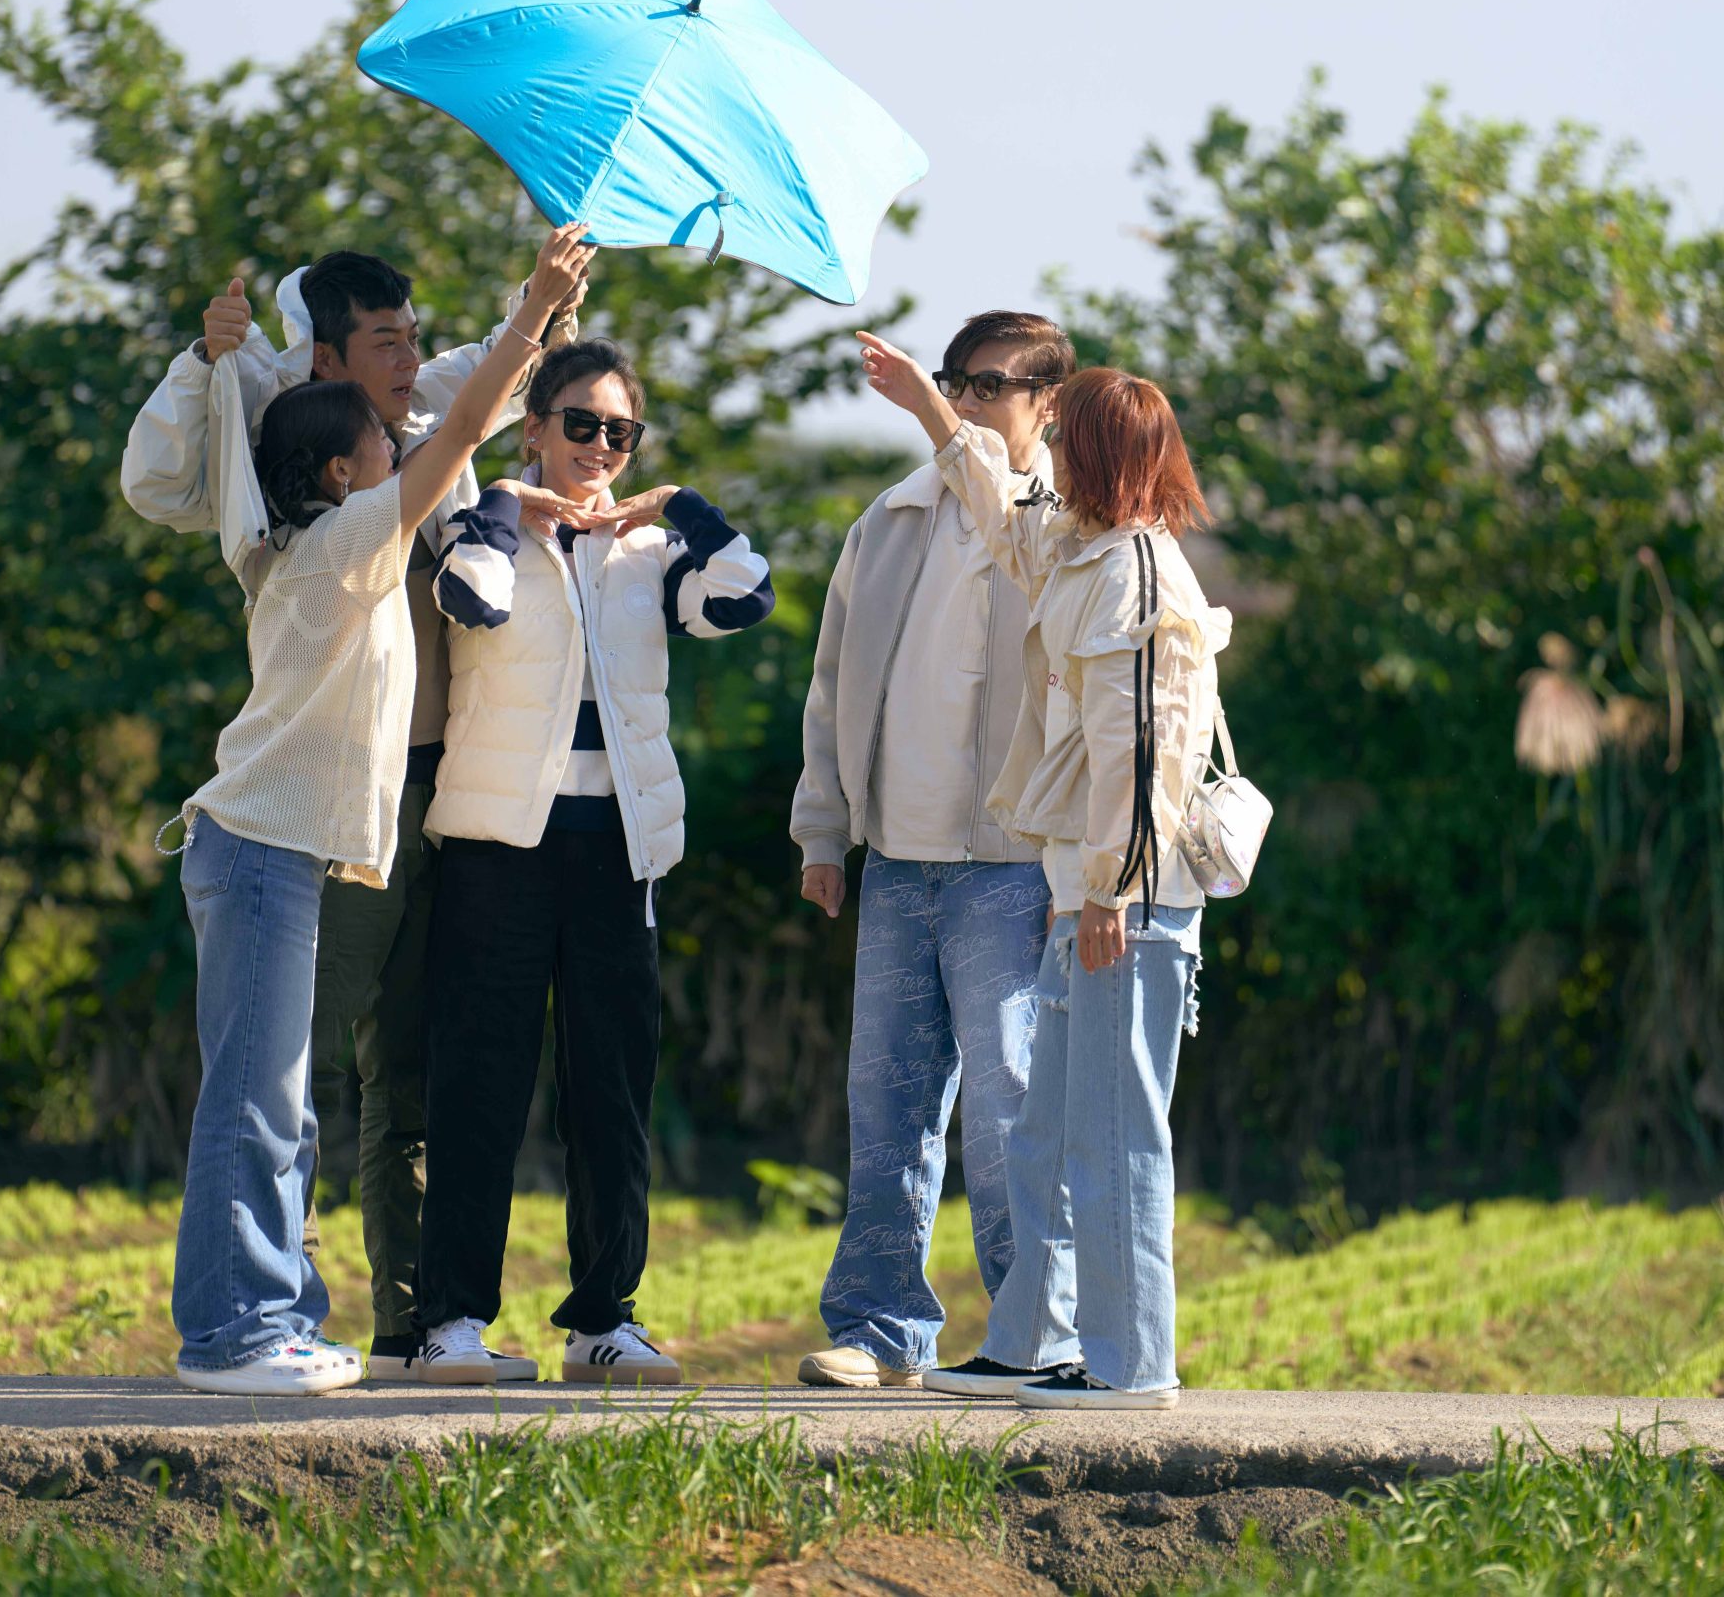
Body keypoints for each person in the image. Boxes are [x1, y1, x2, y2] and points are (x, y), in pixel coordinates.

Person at [122, 248, 584, 1384]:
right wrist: (528, 311)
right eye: (385, 449)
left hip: (276, 849)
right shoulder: (344, 546)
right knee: (258, 1098)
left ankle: (272, 1316)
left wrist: (544, 307)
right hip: (262, 850)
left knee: (276, 1100)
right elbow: (472, 419)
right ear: (339, 474)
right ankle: (234, 1331)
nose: (407, 442)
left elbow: (455, 407)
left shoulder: (320, 543)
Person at [856, 332, 1230, 1412]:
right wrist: (935, 410)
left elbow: (1142, 754)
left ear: (1111, 455)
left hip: (1129, 900)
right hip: (1084, 891)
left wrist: (1111, 891)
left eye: (1068, 444)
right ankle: (1031, 1343)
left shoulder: (1139, 572)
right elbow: (1003, 513)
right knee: (1047, 1132)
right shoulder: (1080, 550)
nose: (1049, 459)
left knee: (1114, 1134)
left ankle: (1129, 1362)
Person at [411, 338, 776, 1388]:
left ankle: (601, 1317)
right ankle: (453, 1320)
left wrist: (679, 505)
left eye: (621, 431)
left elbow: (744, 597)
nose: (600, 446)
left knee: (611, 1088)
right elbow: (469, 598)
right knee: (478, 1082)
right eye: (581, 424)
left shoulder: (650, 556)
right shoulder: (478, 527)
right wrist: (505, 506)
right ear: (534, 426)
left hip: (618, 850)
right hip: (498, 845)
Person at [787, 313, 1068, 1390]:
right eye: (959, 381)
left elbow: (1028, 556)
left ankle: (1033, 1331)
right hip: (897, 857)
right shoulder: (891, 520)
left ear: (1049, 402)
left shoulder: (1062, 521)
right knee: (888, 1102)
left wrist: (933, 416)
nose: (969, 401)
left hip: (1011, 864)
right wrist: (824, 828)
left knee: (1009, 1104)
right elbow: (830, 686)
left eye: (994, 386)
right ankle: (876, 1328)